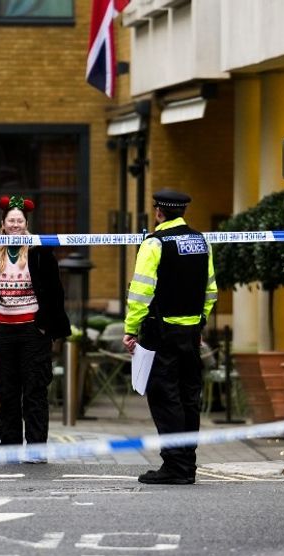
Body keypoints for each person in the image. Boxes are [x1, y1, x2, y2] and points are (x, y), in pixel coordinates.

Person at [123, 189, 217, 485]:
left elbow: (141, 292)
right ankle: (187, 465)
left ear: (159, 212)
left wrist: (130, 328)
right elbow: (211, 289)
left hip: (162, 332)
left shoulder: (154, 243)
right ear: (183, 212)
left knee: (166, 399)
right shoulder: (202, 242)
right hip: (191, 333)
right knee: (189, 398)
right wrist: (200, 321)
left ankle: (174, 466)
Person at [0, 195, 71, 461]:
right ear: (3, 224)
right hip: (3, 333)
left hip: (33, 332)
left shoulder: (40, 251)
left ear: (26, 223)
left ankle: (37, 449)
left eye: (20, 220)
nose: (15, 225)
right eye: (11, 220)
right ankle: (10, 448)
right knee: (6, 392)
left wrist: (43, 327)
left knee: (34, 391)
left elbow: (55, 292)